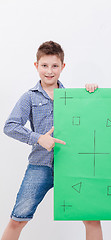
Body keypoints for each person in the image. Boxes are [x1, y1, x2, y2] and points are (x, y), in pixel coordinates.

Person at [1, 41, 103, 240]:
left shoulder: (73, 97)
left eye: (55, 66)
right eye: (44, 65)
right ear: (36, 66)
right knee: (18, 218)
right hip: (40, 165)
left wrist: (93, 93)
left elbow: (94, 120)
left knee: (92, 218)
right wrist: (38, 138)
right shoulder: (29, 98)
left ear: (62, 67)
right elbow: (10, 126)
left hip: (71, 165)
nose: (49, 71)